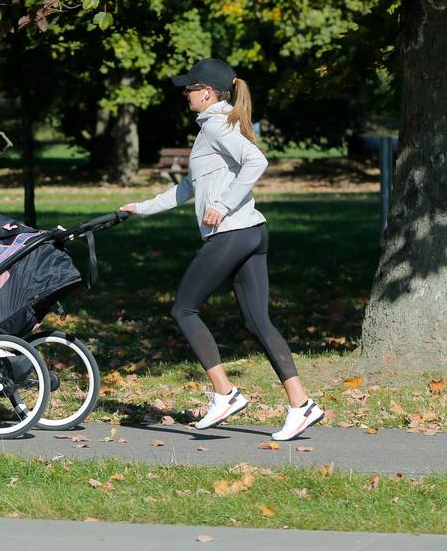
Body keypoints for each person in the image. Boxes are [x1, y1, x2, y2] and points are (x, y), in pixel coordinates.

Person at [120, 58, 323, 441]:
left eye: (190, 88)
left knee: (183, 309)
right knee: (256, 321)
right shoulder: (219, 124)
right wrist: (141, 208)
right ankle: (302, 405)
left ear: (208, 92)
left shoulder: (216, 124)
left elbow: (256, 161)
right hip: (252, 231)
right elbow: (188, 188)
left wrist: (223, 204)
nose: (186, 94)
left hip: (231, 232)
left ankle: (225, 394)